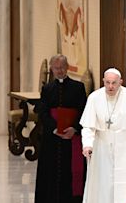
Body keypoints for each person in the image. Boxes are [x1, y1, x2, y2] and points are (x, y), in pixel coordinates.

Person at [80, 68, 126, 203]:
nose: (110, 86)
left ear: (121, 82)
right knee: (104, 185)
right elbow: (88, 126)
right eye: (107, 83)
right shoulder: (94, 98)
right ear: (103, 81)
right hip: (102, 147)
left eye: (114, 83)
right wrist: (87, 145)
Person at [35, 54, 87, 203]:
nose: (60, 71)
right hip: (52, 138)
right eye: (57, 68)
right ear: (52, 69)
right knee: (50, 172)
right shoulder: (47, 89)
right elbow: (43, 113)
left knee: (71, 172)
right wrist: (54, 128)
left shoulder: (78, 87)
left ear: (67, 67)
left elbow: (84, 111)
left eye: (63, 67)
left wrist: (74, 128)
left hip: (72, 138)